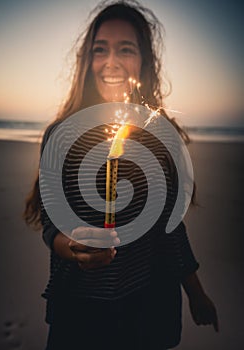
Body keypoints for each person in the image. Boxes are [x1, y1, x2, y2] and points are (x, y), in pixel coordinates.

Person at [24, 1, 218, 349]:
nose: (111, 62)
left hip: (148, 309)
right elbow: (52, 226)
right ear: (88, 61)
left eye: (125, 49)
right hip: (79, 312)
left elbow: (170, 227)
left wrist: (197, 294)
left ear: (143, 60)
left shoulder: (161, 136)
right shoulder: (61, 135)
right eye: (100, 50)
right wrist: (74, 248)